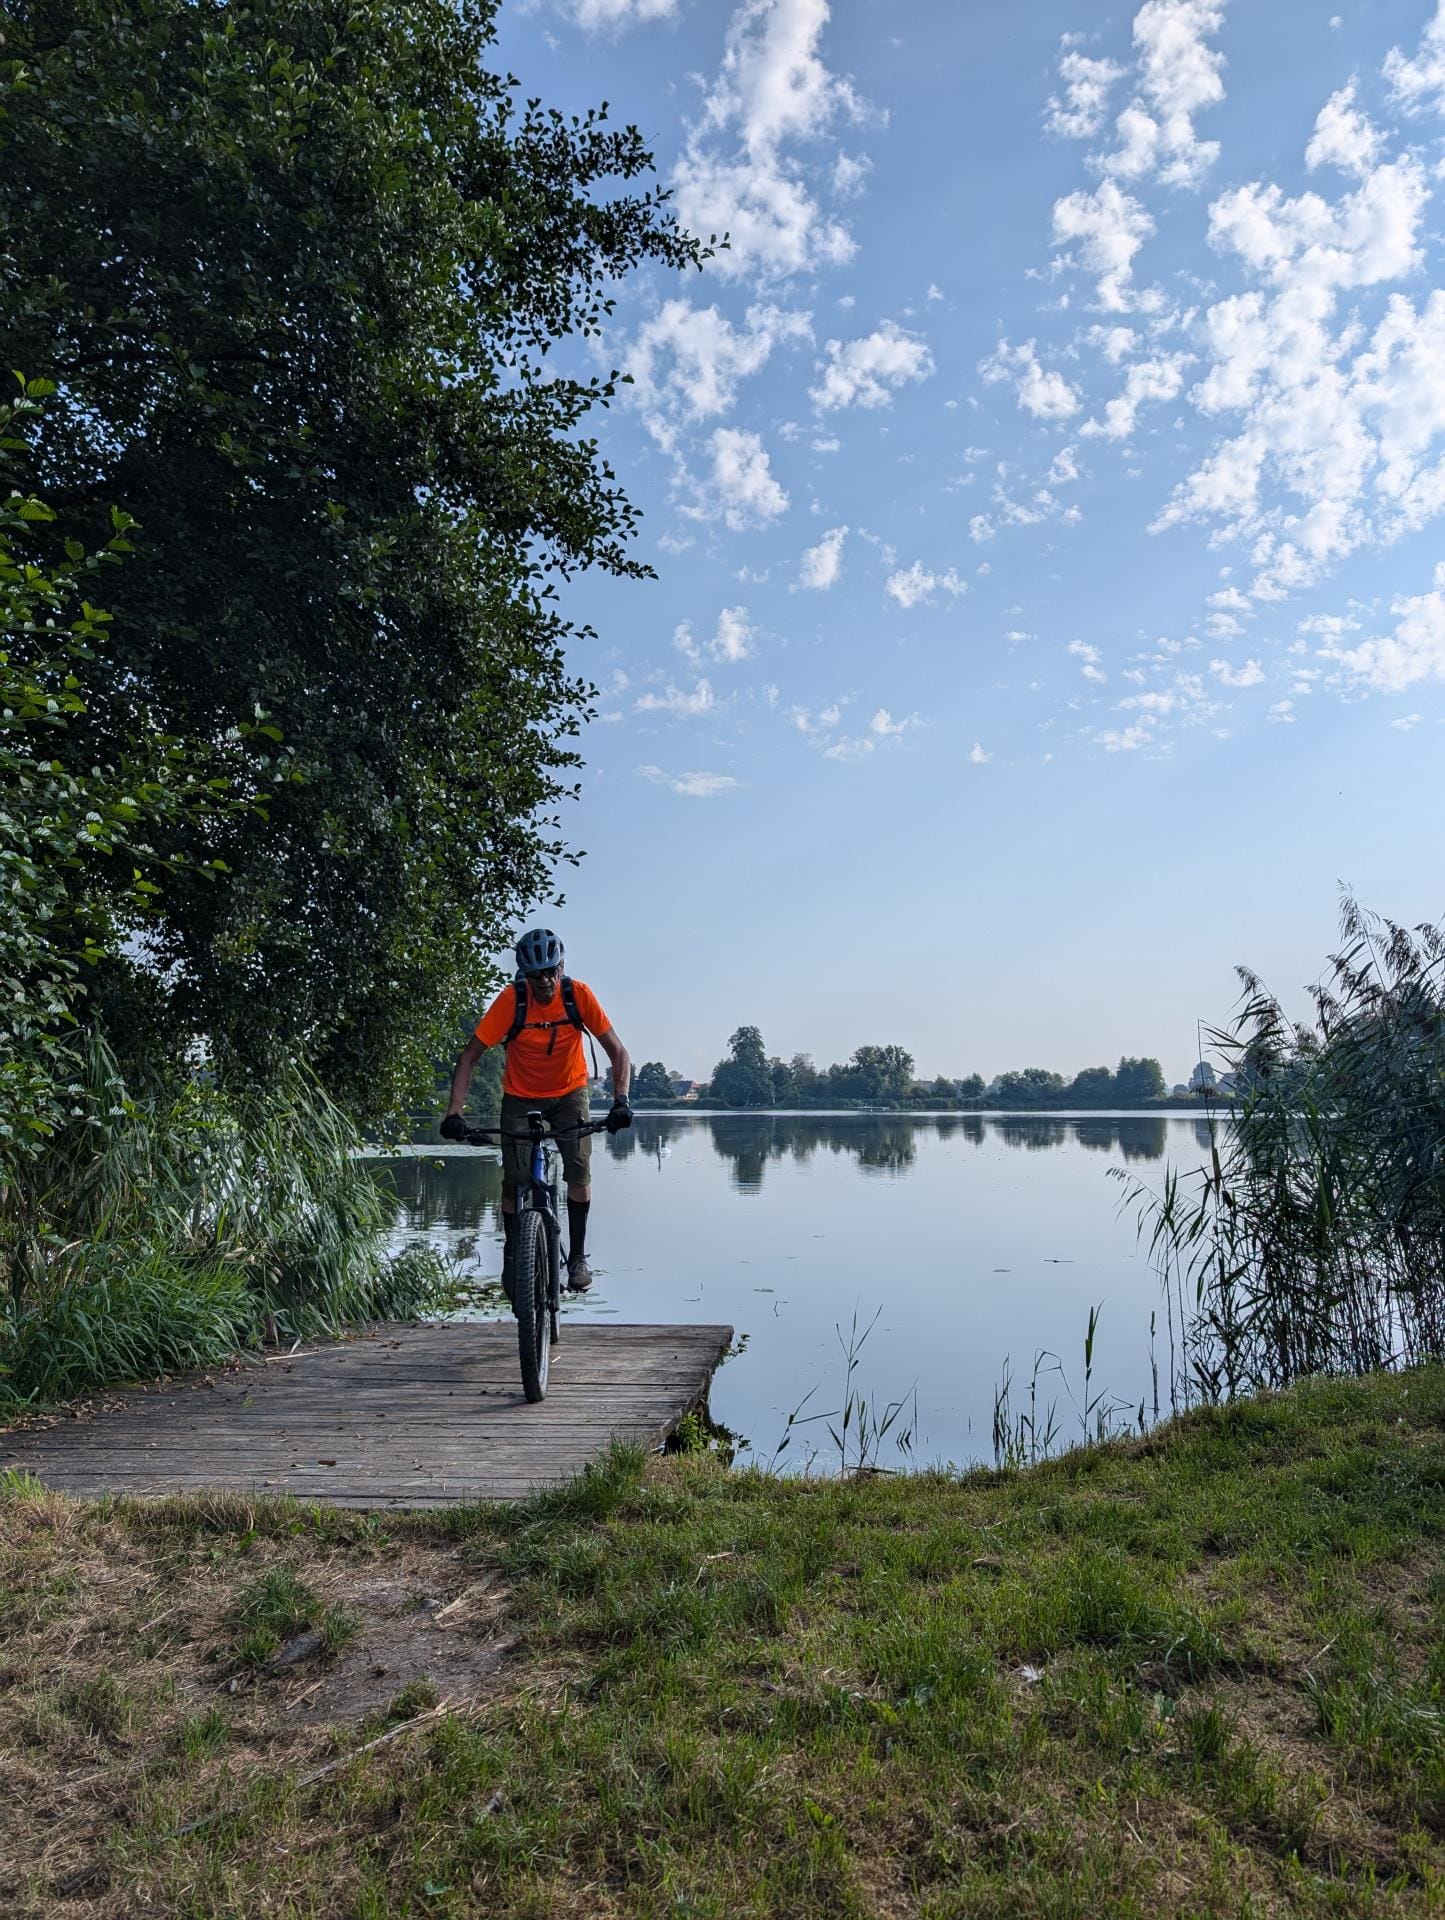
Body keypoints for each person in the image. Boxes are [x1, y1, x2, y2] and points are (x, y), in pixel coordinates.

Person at [441, 928, 631, 1295]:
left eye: (550, 972)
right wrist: (454, 1113)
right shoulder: (512, 1001)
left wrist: (620, 1100)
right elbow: (468, 1059)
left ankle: (577, 1258)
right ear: (524, 975)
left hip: (569, 1093)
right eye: (535, 975)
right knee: (514, 1180)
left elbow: (618, 1053)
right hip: (520, 1095)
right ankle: (515, 1253)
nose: (545, 981)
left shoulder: (578, 996)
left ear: (561, 967)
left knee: (578, 1171)